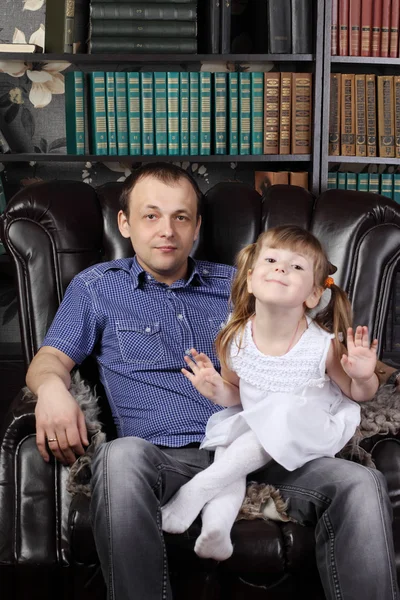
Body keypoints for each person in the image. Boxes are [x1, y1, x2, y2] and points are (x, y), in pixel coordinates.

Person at [25, 163, 399, 600]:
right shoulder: (96, 289)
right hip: (167, 456)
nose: (167, 230)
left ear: (197, 226)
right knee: (119, 457)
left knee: (360, 482)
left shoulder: (243, 284)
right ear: (124, 223)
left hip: (271, 448)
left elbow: (313, 339)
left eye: (181, 217)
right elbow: (49, 358)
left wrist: (360, 368)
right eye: (151, 215)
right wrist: (51, 390)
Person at [161, 225, 378, 562]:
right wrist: (217, 389)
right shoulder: (235, 338)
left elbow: (357, 393)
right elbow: (237, 395)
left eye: (296, 267)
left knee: (280, 408)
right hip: (256, 433)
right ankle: (216, 529)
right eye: (273, 260)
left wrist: (363, 377)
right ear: (250, 278)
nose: (281, 268)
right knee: (228, 442)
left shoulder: (322, 346)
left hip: (309, 430)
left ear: (312, 295)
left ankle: (198, 488)